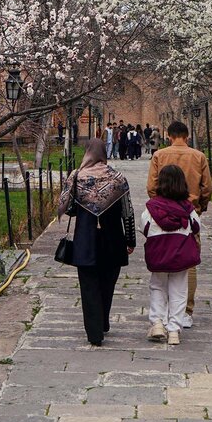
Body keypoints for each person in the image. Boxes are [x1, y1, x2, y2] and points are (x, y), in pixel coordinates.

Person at [58, 138, 136, 346]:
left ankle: (94, 332)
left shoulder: (77, 177)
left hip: (86, 239)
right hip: (113, 239)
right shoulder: (118, 178)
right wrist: (131, 240)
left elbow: (68, 208)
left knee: (88, 284)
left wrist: (85, 204)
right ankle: (102, 322)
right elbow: (127, 212)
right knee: (107, 283)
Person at [147, 120, 212, 328]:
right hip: (188, 213)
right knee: (188, 261)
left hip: (162, 215)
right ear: (187, 136)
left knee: (162, 260)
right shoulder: (198, 156)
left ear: (169, 136)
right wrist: (199, 207)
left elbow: (151, 187)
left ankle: (162, 311)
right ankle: (185, 311)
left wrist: (160, 205)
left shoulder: (159, 155)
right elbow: (207, 188)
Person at [141, 164, 202, 345]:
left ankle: (158, 323)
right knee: (179, 290)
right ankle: (174, 329)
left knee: (157, 287)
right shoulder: (187, 208)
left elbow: (143, 227)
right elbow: (196, 226)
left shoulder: (152, 207)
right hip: (180, 254)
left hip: (158, 253)